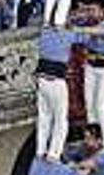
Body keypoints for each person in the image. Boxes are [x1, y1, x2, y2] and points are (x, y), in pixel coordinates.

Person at [35, 26, 95, 160]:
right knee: (60, 121)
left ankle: (40, 150)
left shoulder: (45, 31)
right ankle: (53, 154)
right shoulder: (69, 34)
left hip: (42, 79)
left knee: (44, 118)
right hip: (57, 81)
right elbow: (87, 38)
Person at [75, 0, 104, 147]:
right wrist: (81, 14)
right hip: (91, 67)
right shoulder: (89, 21)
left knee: (100, 104)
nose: (91, 13)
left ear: (102, 10)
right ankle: (93, 137)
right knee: (90, 104)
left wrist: (77, 28)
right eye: (90, 10)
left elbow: (97, 31)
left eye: (94, 10)